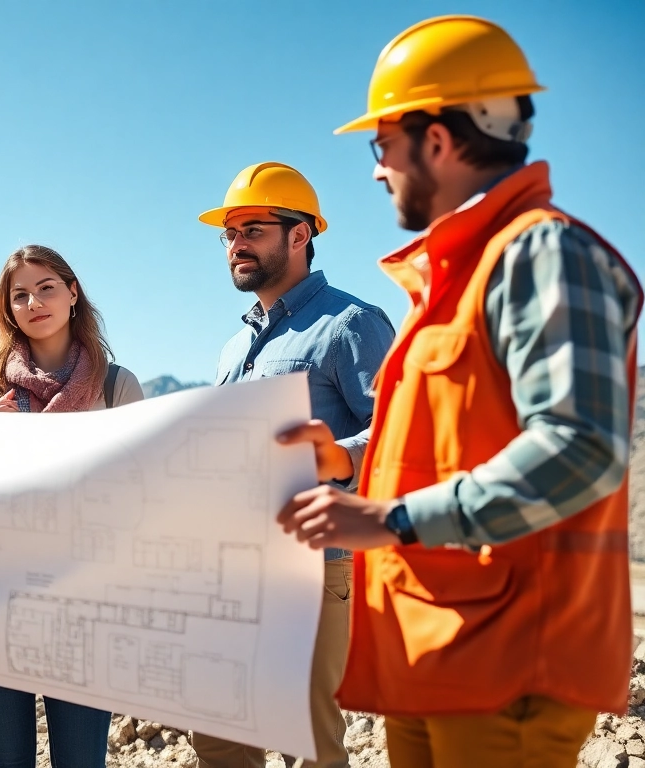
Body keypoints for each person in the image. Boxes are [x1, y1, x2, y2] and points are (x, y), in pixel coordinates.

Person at [278, 15, 641, 768]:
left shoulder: (543, 253)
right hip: (439, 656)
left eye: (383, 147)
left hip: (511, 666)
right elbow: (449, 439)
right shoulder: (457, 279)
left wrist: (392, 519)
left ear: (436, 141)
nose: (377, 171)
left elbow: (581, 447)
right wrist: (345, 460)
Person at [192, 162, 395, 768]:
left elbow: (398, 431)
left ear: (300, 234)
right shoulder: (235, 346)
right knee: (219, 729)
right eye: (228, 233)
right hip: (231, 566)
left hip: (315, 566)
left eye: (252, 229)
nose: (236, 245)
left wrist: (340, 455)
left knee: (307, 739)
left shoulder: (351, 324)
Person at [0, 244, 143, 768]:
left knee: (81, 760)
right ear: (8, 309)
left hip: (86, 601)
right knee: (5, 760)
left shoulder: (116, 385)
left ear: (73, 293)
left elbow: (141, 495)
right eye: (20, 295)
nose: (34, 302)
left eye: (46, 288)